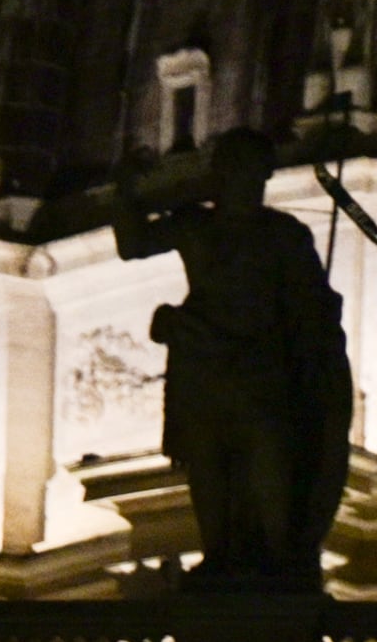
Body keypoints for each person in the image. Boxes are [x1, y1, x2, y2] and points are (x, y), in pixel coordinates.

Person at [127, 130, 354, 589]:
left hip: (260, 368)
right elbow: (133, 243)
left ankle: (280, 556)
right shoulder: (195, 226)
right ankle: (218, 555)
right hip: (205, 366)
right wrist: (124, 192)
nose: (244, 180)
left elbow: (312, 305)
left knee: (267, 455)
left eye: (252, 169)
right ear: (220, 174)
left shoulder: (285, 236)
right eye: (235, 168)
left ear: (264, 175)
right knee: (207, 461)